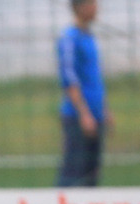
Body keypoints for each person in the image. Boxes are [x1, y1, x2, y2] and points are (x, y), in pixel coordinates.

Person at [57, 0, 108, 187]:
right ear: (80, 7)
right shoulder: (70, 38)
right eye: (93, 4)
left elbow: (95, 77)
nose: (97, 8)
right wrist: (84, 114)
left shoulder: (89, 37)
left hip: (96, 114)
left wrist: (104, 109)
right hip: (77, 116)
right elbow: (69, 79)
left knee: (91, 173)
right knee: (73, 173)